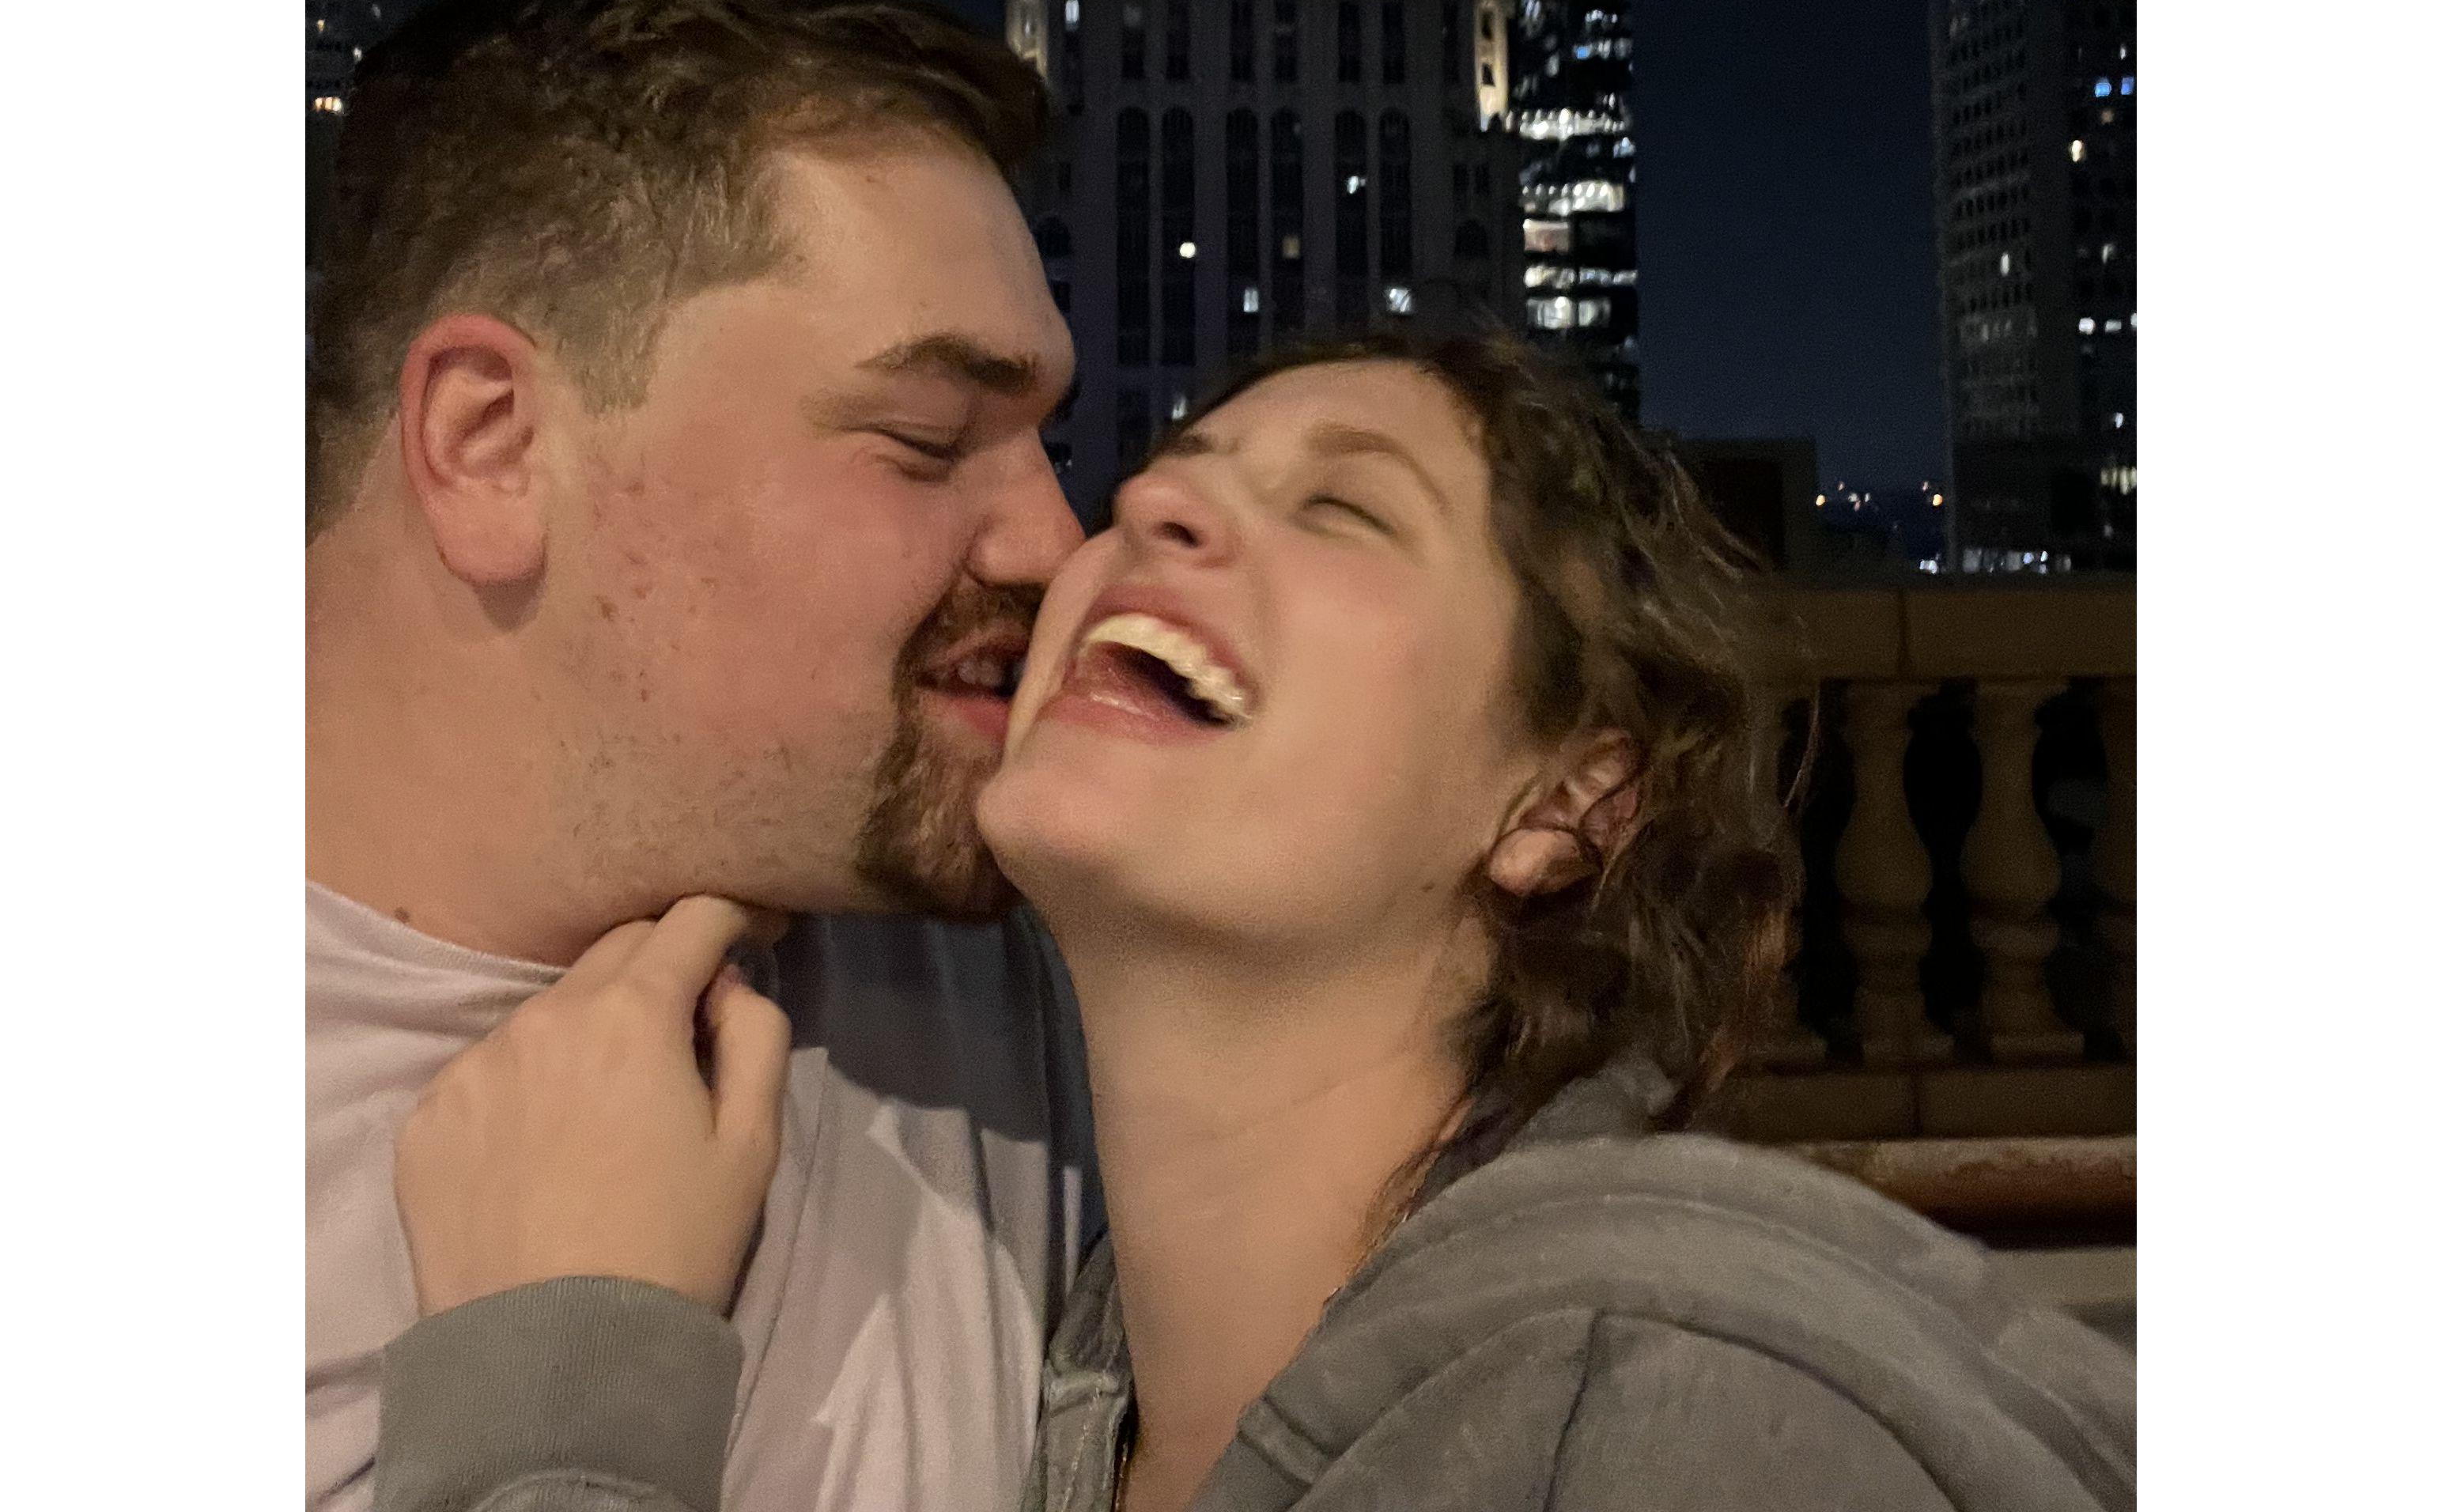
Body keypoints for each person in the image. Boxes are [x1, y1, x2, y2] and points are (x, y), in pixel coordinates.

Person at [369, 330, 2137, 1512]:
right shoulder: (1068, 1414)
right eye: (1168, 469)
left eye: (1342, 508)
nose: (1141, 500)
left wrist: (561, 1390)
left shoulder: (1676, 1417)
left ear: (1562, 802)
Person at [307, 0, 1102, 1512]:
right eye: (928, 436)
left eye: (1040, 441)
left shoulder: (1028, 950)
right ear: (492, 444)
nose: (1058, 547)